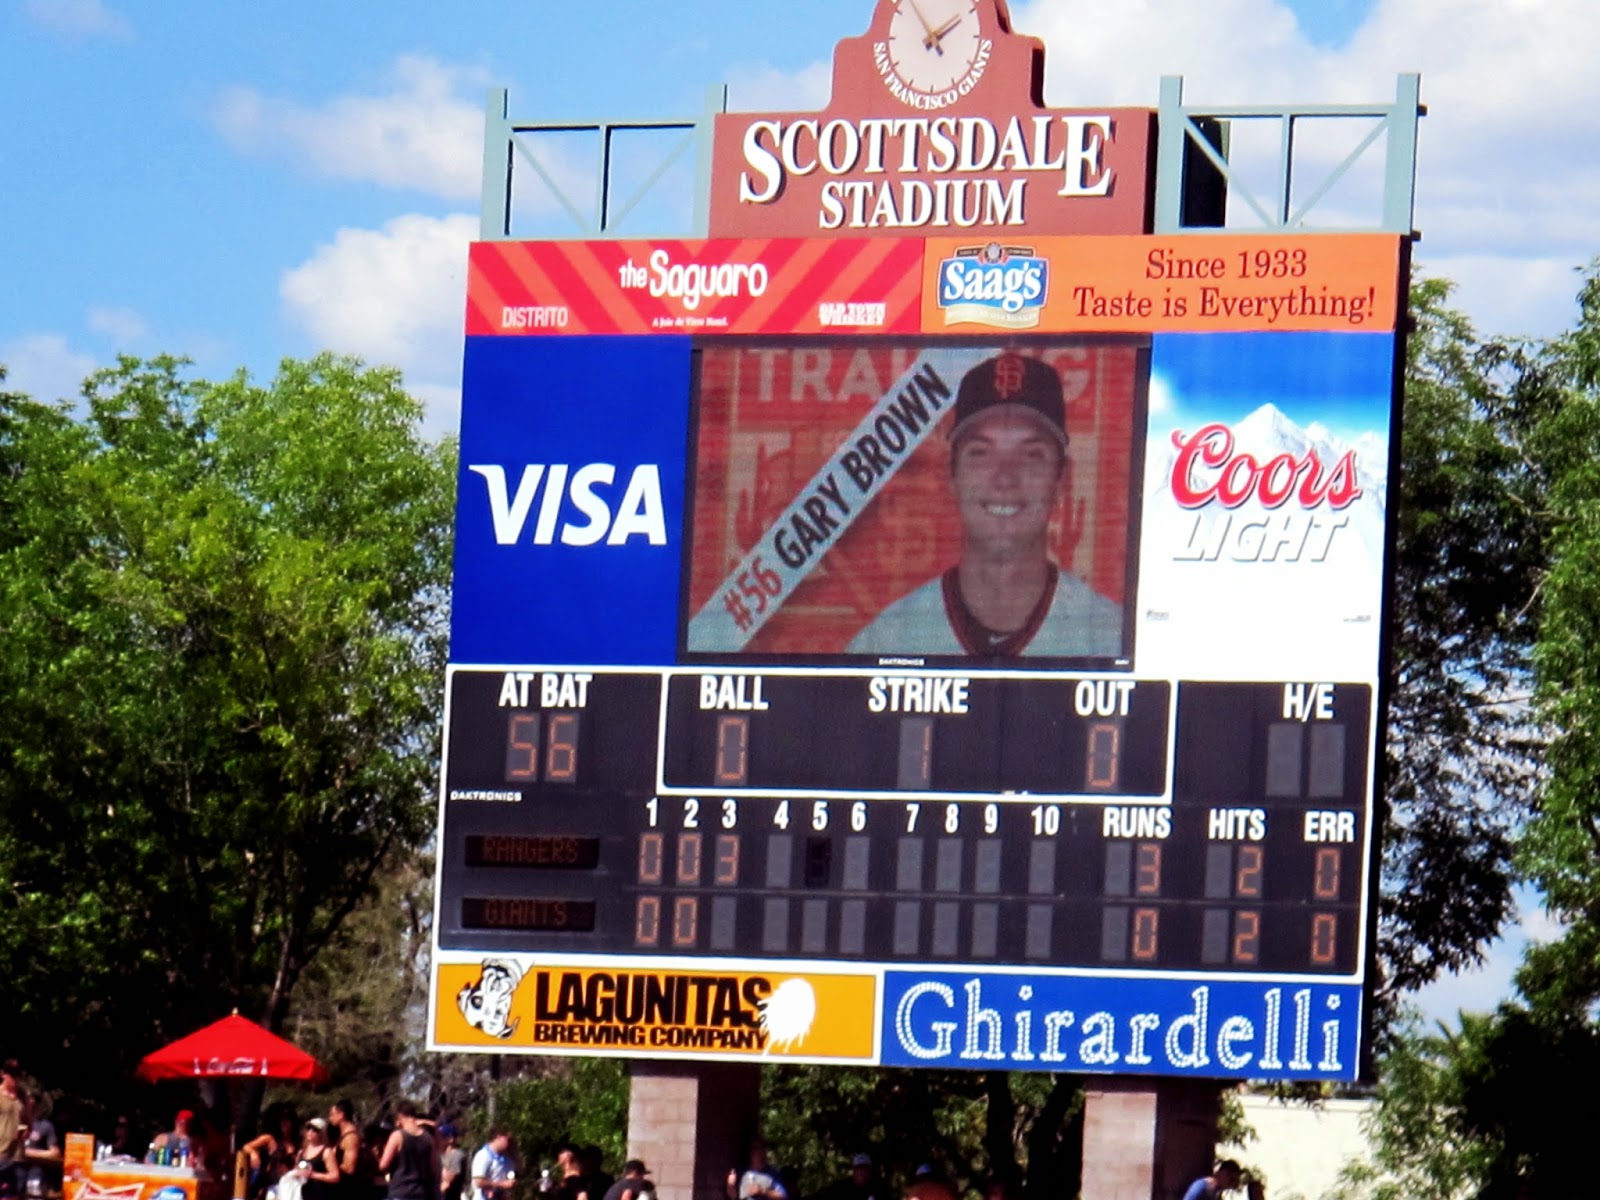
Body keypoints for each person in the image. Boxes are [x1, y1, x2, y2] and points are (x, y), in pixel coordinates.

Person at [846, 351, 1122, 659]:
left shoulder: (1109, 638)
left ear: (1062, 479)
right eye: (981, 453)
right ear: (949, 475)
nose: (1005, 478)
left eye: (1031, 455)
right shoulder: (885, 642)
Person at [378, 1102, 438, 1200]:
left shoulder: (397, 1136)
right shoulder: (429, 1138)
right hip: (421, 1192)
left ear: (400, 1116)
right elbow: (433, 1169)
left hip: (400, 1191)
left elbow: (383, 1165)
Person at [294, 1119, 342, 1200]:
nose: (310, 1132)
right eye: (308, 1128)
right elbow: (296, 1170)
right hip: (304, 1194)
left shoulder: (326, 1152)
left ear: (321, 1133)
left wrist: (313, 1175)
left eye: (315, 1130)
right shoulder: (302, 1152)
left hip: (321, 1194)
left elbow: (335, 1176)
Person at [1181, 1160, 1264, 1200]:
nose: (1231, 1186)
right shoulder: (1201, 1186)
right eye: (1232, 1180)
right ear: (1223, 1173)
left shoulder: (1215, 1192)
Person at [468, 1130, 515, 1200]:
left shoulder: (506, 1158)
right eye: (508, 1140)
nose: (509, 1143)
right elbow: (478, 1182)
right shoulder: (483, 1155)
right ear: (498, 1137)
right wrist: (501, 1184)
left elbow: (513, 1174)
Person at [813, 1154, 881, 1200]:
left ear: (869, 1171)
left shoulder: (877, 1189)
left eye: (864, 1169)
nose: (861, 1172)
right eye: (858, 1169)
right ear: (853, 1171)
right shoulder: (842, 1187)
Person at [437, 1125, 465, 1200]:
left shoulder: (456, 1155)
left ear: (450, 1139)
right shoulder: (438, 1155)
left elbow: (447, 1182)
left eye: (440, 1137)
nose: (437, 1139)